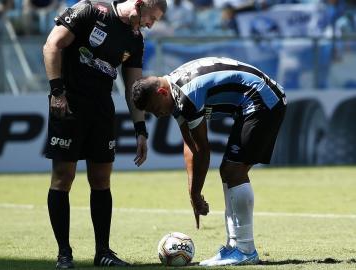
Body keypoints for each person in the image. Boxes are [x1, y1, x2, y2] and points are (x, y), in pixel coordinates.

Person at [42, 0, 166, 268]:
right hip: (69, 104)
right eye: (151, 18)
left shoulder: (135, 40)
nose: (150, 25)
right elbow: (52, 45)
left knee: (101, 179)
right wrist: (57, 92)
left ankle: (103, 252)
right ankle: (64, 254)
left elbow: (134, 86)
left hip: (101, 110)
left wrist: (140, 129)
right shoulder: (89, 10)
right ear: (140, 4)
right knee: (63, 177)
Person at [131, 56, 286, 266]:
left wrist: (197, 194)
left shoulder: (185, 95)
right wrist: (191, 193)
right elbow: (189, 146)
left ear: (162, 92)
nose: (157, 116)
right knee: (229, 171)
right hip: (250, 103)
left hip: (262, 100)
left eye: (153, 109)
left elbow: (203, 150)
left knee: (233, 171)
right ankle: (235, 247)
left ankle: (245, 249)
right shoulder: (174, 94)